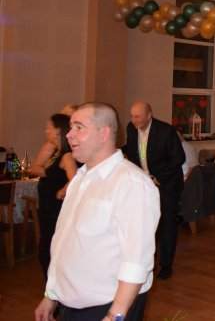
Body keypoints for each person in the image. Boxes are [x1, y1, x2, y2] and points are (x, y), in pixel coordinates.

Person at [34, 102, 160, 321]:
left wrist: (116, 315)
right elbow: (64, 241)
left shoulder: (131, 183)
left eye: (79, 127)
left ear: (104, 133)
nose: (69, 135)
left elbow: (137, 259)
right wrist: (51, 294)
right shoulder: (80, 178)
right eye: (70, 127)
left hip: (107, 307)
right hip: (72, 304)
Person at [123, 101, 185, 280]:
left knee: (167, 224)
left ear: (149, 115)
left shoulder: (166, 131)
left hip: (166, 184)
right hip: (144, 184)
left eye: (138, 116)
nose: (134, 120)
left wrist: (159, 177)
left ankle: (166, 265)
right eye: (132, 116)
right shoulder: (131, 128)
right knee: (146, 224)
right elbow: (133, 152)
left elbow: (178, 158)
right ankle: (149, 261)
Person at [29, 113, 78, 279]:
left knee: (50, 252)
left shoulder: (66, 156)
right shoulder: (55, 153)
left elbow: (75, 179)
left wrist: (63, 190)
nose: (46, 131)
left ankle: (55, 287)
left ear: (58, 131)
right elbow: (35, 168)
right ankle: (51, 286)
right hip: (47, 209)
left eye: (49, 128)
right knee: (45, 251)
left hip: (56, 211)